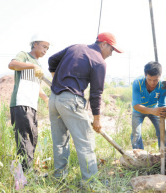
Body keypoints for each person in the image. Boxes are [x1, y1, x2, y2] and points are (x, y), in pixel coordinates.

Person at [48, 32, 123, 181]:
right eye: (112, 49)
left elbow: (51, 59)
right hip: (71, 101)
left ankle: (59, 178)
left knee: (60, 142)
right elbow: (96, 93)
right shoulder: (99, 62)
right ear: (103, 44)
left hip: (54, 99)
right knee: (85, 143)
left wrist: (55, 78)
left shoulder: (76, 47)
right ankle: (91, 183)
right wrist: (97, 119)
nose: (111, 54)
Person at [8, 34, 50, 172]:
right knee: (24, 139)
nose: (45, 50)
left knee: (32, 138)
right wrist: (31, 65)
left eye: (47, 48)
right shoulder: (24, 56)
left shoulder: (38, 65)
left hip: (32, 105)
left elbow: (36, 84)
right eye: (44, 46)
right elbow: (12, 64)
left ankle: (28, 171)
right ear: (34, 44)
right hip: (21, 102)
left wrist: (46, 99)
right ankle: (24, 174)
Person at [131, 61, 166, 149]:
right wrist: (152, 111)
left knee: (164, 131)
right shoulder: (137, 83)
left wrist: (162, 112)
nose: (152, 83)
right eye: (149, 79)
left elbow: (162, 104)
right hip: (139, 110)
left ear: (160, 76)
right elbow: (136, 105)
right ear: (145, 75)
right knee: (136, 133)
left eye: (155, 80)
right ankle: (139, 156)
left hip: (155, 109)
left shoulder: (162, 86)